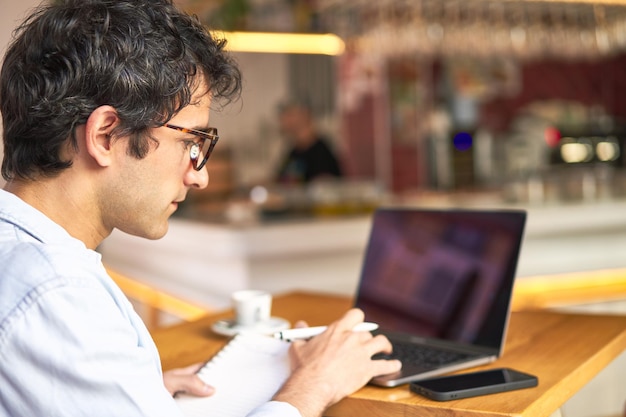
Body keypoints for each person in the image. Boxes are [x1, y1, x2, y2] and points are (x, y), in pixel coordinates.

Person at [0, 1, 401, 417]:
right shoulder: (55, 295)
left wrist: (131, 392)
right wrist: (315, 383)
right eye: (189, 144)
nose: (200, 176)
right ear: (105, 135)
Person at [275, 99, 343, 185]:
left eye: (290, 114)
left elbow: (325, 185)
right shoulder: (294, 152)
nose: (284, 119)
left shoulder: (321, 151)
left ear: (304, 115)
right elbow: (280, 181)